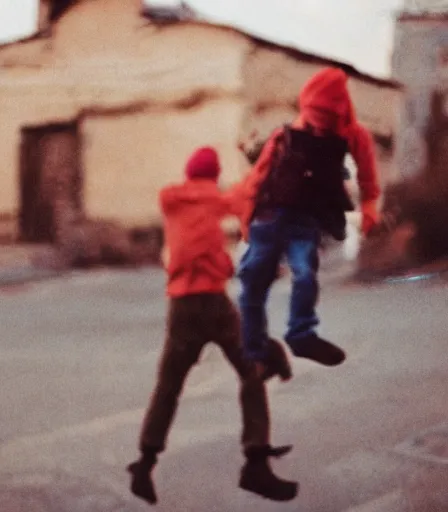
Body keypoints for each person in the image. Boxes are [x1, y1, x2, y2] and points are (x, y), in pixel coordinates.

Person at [128, 147, 298, 506]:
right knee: (251, 372)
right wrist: (271, 153)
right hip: (211, 305)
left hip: (180, 307)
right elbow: (249, 188)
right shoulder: (214, 199)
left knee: (168, 386)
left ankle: (144, 462)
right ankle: (256, 463)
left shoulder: (172, 202)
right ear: (211, 175)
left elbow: (192, 245)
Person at [230, 67, 381, 367]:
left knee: (304, 274)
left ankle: (300, 336)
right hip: (269, 216)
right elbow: (257, 178)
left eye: (325, 117)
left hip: (303, 221)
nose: (318, 123)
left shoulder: (353, 134)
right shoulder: (285, 136)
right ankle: (255, 353)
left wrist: (370, 208)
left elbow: (367, 177)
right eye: (314, 115)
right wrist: (246, 221)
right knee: (254, 284)